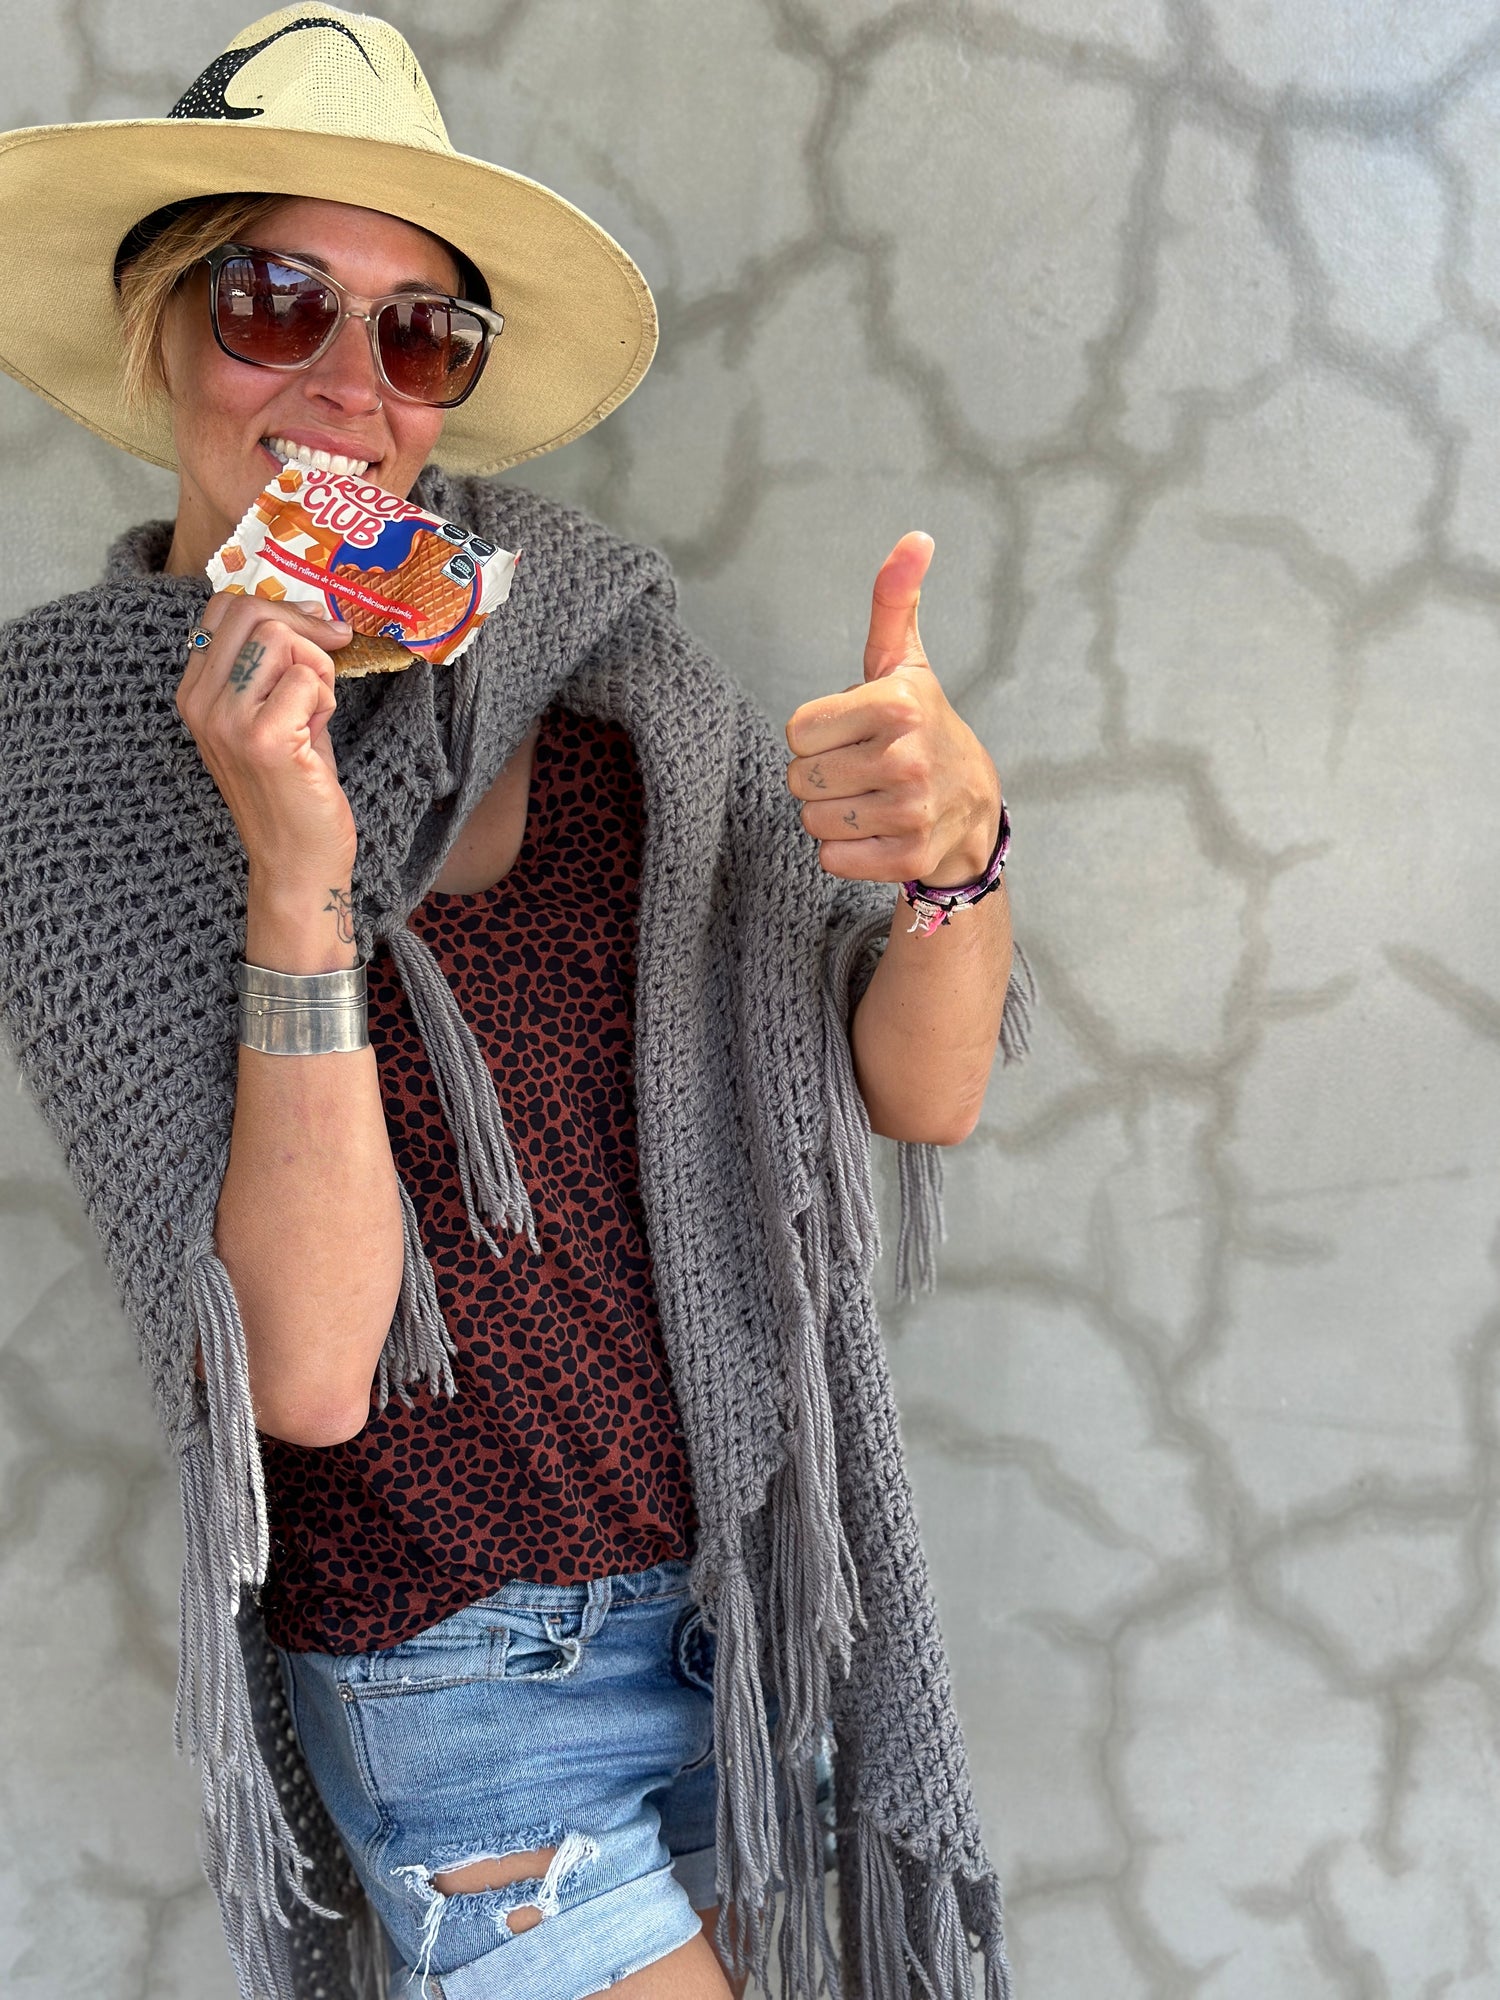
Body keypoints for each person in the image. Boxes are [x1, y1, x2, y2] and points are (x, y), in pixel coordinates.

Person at [0, 10, 1030, 2000]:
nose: (343, 384)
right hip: (459, 1687)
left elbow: (923, 1088)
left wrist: (957, 858)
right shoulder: (63, 757)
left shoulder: (609, 666)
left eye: (417, 332)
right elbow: (300, 1374)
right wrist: (296, 873)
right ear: (154, 331)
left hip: (754, 1605)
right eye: (272, 297)